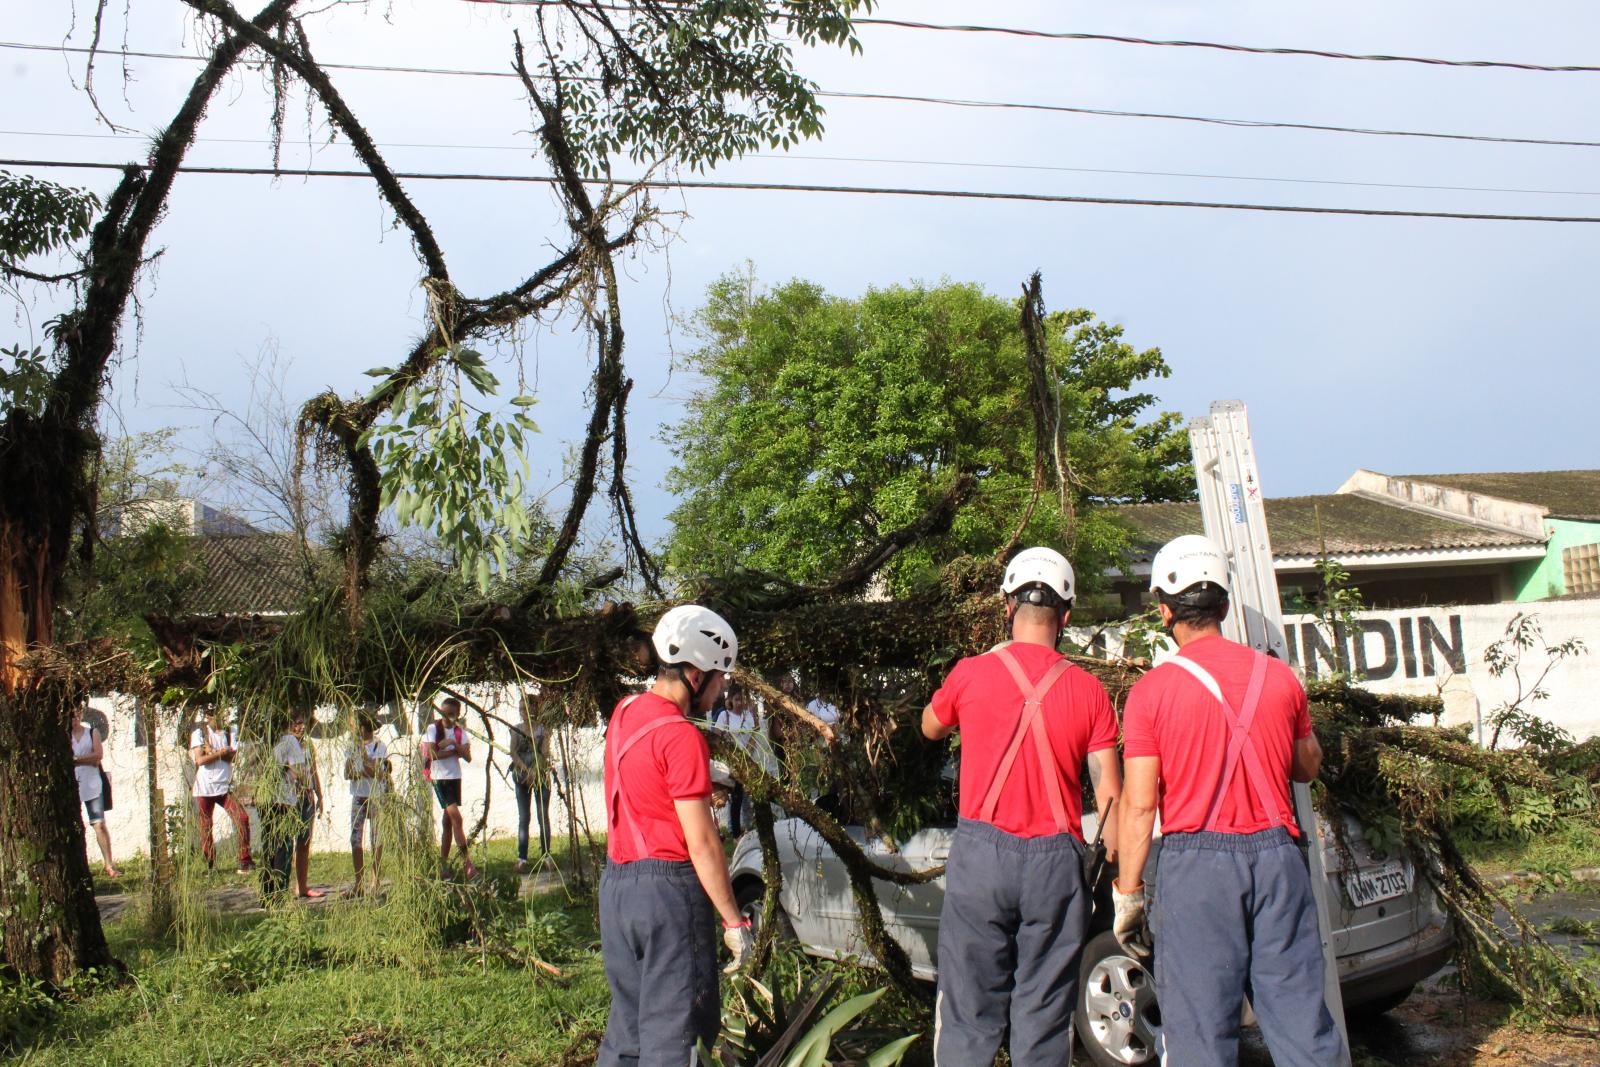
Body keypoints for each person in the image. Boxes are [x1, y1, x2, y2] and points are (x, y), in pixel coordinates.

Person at [1115, 534, 1344, 1067]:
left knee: (1200, 1034)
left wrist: (1128, 891)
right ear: (1222, 604)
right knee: (1301, 1022)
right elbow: (1308, 766)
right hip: (1278, 860)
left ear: (1166, 611)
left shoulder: (1152, 691)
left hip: (1199, 869)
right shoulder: (1279, 677)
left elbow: (1141, 805)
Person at [920, 546, 1122, 1066]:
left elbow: (930, 726)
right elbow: (1111, 799)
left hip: (982, 857)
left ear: (1007, 607)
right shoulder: (1090, 690)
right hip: (1056, 863)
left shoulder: (970, 673)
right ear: (1067, 617)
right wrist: (1122, 885)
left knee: (968, 1010)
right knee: (1045, 1013)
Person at [598, 605, 754, 1067]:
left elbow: (646, 787)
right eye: (719, 676)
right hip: (667, 895)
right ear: (695, 671)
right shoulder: (682, 736)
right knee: (676, 1038)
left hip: (617, 890)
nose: (723, 688)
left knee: (627, 1032)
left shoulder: (624, 712)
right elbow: (703, 843)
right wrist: (732, 920)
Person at [268, 709, 324, 900]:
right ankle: (282, 886)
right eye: (296, 723)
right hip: (291, 797)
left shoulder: (308, 745)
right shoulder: (284, 745)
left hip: (307, 795)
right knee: (286, 843)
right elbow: (289, 771)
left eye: (302, 723)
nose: (300, 727)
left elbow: (313, 770)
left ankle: (302, 885)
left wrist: (319, 794)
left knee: (304, 842)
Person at [189, 706, 252, 873]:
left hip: (223, 786)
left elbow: (234, 756)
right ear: (208, 716)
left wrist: (218, 753)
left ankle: (245, 860)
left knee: (242, 817)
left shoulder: (230, 731)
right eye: (214, 713)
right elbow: (200, 760)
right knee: (205, 825)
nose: (220, 716)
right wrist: (220, 754)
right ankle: (211, 864)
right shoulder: (200, 733)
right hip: (205, 787)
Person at [422, 696, 477, 881]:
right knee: (456, 817)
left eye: (451, 714)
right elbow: (431, 754)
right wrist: (454, 752)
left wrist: (453, 745)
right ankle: (467, 862)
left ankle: (443, 866)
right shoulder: (433, 729)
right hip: (440, 779)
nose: (447, 717)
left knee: (448, 823)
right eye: (444, 713)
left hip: (455, 777)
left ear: (457, 715)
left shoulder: (460, 732)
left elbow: (468, 756)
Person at [69, 705, 120, 879]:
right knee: (73, 824)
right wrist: (86, 760)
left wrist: (75, 760)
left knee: (98, 823)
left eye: (76, 715)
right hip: (73, 782)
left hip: (92, 782)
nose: (74, 719)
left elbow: (97, 755)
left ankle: (109, 864)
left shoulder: (92, 733)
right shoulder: (64, 737)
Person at [344, 711, 388, 896]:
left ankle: (375, 880)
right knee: (356, 839)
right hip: (359, 796)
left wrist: (363, 761)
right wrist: (364, 768)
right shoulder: (351, 746)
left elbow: (377, 772)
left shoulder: (379, 745)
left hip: (375, 796)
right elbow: (348, 773)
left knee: (376, 839)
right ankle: (359, 882)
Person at [511, 693, 554, 874]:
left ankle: (546, 855)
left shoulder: (542, 730)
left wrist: (536, 770)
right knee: (524, 818)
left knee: (542, 816)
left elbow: (544, 752)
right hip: (522, 776)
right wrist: (526, 771)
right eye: (520, 709)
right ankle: (522, 858)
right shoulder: (516, 729)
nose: (523, 713)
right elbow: (513, 752)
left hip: (541, 776)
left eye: (526, 709)